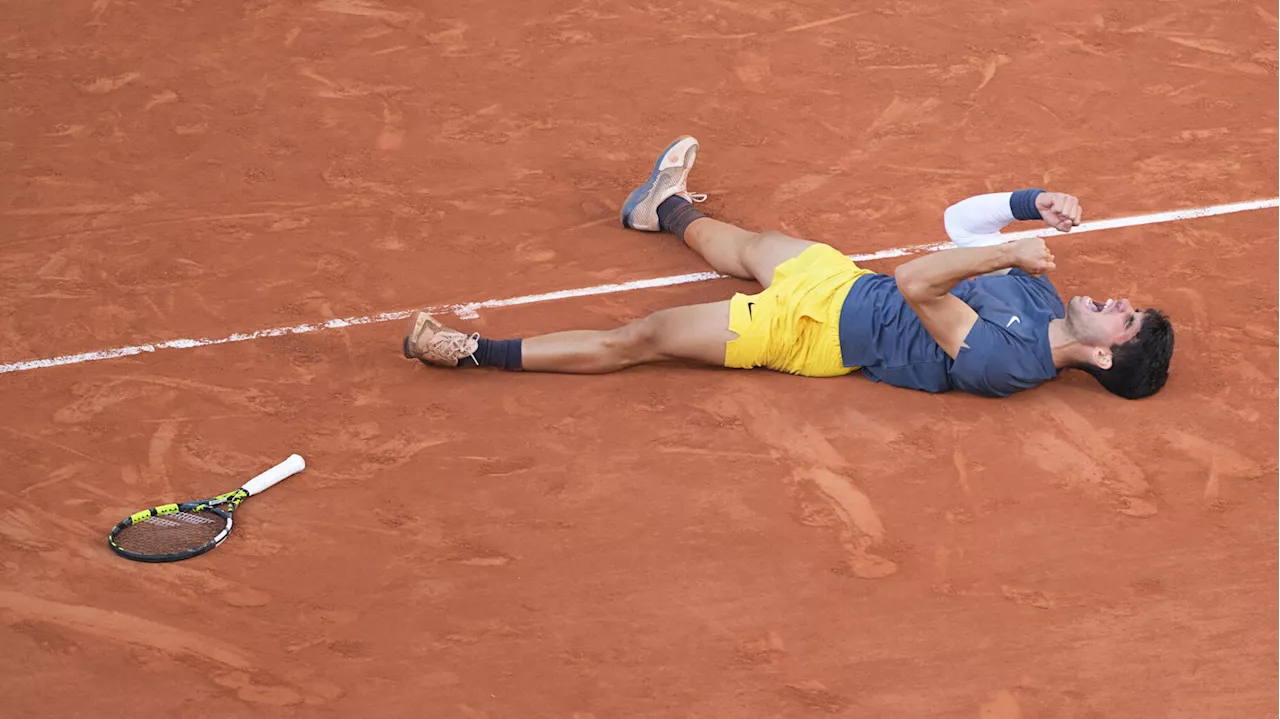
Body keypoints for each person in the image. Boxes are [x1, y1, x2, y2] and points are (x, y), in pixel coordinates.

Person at [401, 136, 1174, 399]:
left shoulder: (1008, 365)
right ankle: (658, 208)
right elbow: (961, 228)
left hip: (811, 334)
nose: (1116, 300)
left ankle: (470, 351)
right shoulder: (1041, 297)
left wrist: (1009, 246)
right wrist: (1032, 201)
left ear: (1104, 352)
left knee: (641, 336)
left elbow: (919, 281)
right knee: (748, 243)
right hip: (844, 283)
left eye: (1124, 316)